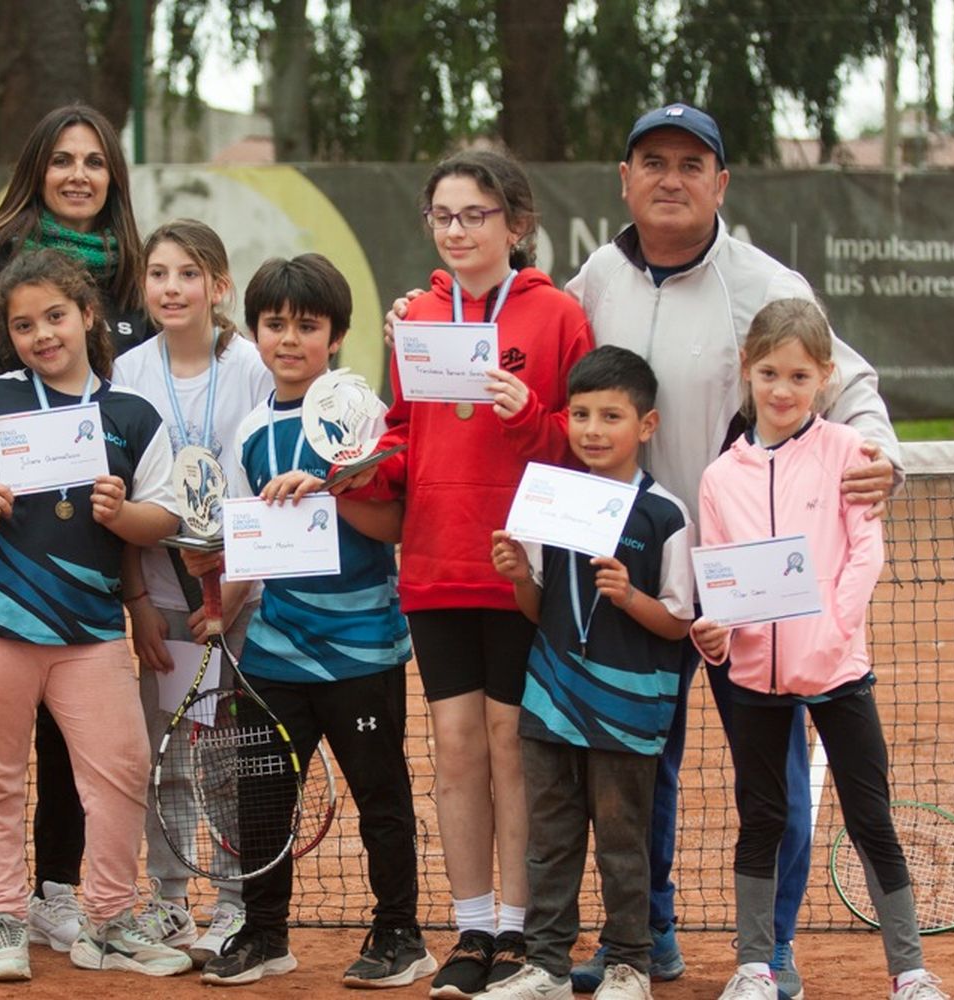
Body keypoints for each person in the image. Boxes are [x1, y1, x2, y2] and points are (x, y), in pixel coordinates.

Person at [561, 103, 901, 999]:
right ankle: (647, 937)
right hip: (635, 571)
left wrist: (882, 456)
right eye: (652, 162)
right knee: (634, 770)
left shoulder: (761, 279)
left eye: (690, 163)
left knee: (773, 778)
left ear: (720, 183)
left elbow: (850, 378)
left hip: (751, 577)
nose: (670, 178)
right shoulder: (595, 276)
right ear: (624, 180)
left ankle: (773, 949)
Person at [0, 102, 154, 961]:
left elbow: (140, 397)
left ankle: (55, 893)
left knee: (76, 741)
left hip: (83, 565)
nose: (79, 174)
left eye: (95, 160)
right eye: (62, 160)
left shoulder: (131, 280)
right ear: (36, 170)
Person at [369, 148, 594, 1000]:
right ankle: (470, 925)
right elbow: (403, 430)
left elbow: (588, 440)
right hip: (433, 564)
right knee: (456, 751)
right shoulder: (417, 315)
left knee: (512, 752)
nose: (458, 230)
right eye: (445, 216)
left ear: (517, 224)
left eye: (476, 215)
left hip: (522, 566)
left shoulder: (558, 316)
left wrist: (532, 416)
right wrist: (371, 468)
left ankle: (519, 929)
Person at [0, 250, 187, 983]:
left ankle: (105, 921)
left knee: (122, 768)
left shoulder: (133, 416)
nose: (42, 334)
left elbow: (161, 515)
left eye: (54, 317)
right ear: (7, 336)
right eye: (23, 325)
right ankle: (5, 920)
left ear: (87, 315)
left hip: (89, 632)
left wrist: (122, 511)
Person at [182, 254, 432, 989]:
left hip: (362, 651)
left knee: (380, 798)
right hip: (275, 652)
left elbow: (390, 526)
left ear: (338, 335)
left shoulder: (368, 418)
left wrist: (327, 486)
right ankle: (265, 935)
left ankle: (400, 935)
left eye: (308, 325)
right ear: (255, 331)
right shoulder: (253, 430)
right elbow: (244, 543)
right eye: (275, 324)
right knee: (261, 799)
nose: (290, 338)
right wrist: (217, 607)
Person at [691, 299, 947, 1000]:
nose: (781, 390)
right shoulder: (719, 480)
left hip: (839, 673)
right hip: (754, 680)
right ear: (747, 371)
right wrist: (713, 633)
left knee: (872, 821)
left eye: (799, 376)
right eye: (769, 372)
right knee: (763, 821)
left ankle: (910, 972)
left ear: (825, 379)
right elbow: (719, 579)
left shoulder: (846, 453)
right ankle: (755, 966)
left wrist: (832, 634)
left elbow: (866, 551)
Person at [487, 346, 694, 1000]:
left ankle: (630, 964)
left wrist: (630, 596)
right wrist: (520, 574)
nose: (594, 430)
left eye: (611, 416)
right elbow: (537, 605)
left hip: (627, 713)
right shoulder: (553, 497)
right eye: (580, 415)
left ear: (647, 426)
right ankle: (547, 966)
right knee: (549, 842)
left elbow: (678, 621)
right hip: (549, 702)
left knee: (622, 843)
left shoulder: (666, 513)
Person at [111, 219, 274, 963]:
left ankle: (236, 903)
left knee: (230, 756)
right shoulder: (125, 373)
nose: (171, 288)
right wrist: (141, 604)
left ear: (218, 285)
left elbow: (271, 490)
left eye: (187, 274)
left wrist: (231, 598)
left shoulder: (253, 368)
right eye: (158, 274)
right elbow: (114, 503)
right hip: (162, 595)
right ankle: (170, 902)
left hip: (243, 593)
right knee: (164, 752)